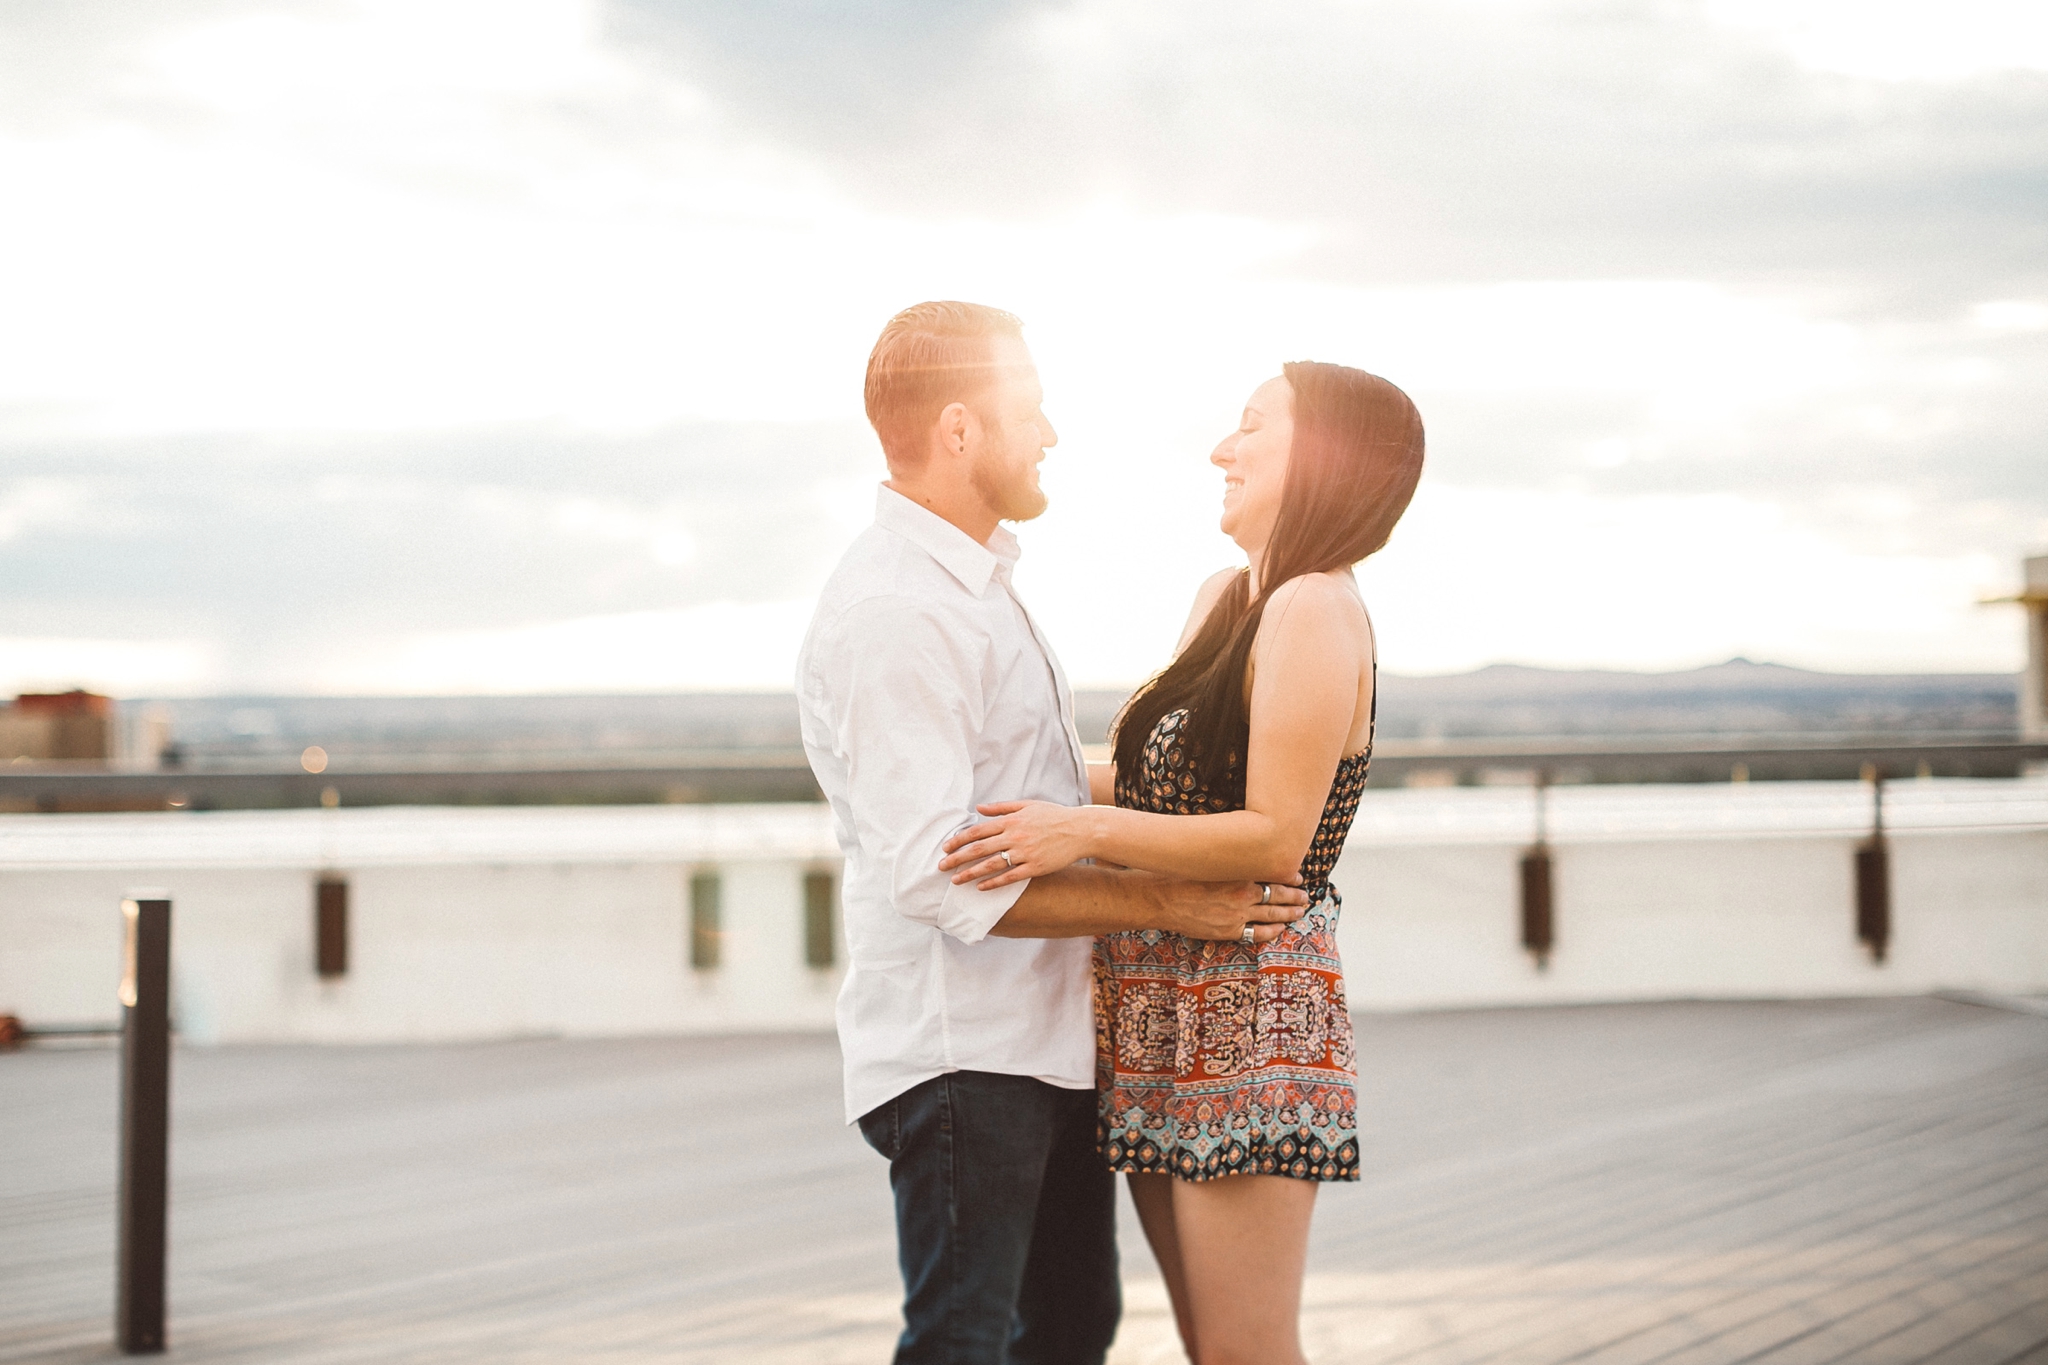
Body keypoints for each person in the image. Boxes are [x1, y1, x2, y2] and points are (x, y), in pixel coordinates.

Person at [795, 301, 1311, 1365]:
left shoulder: (976, 589)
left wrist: (1221, 799)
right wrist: (1170, 900)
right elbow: (939, 876)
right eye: (1028, 407)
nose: (1051, 433)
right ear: (958, 430)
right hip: (959, 1056)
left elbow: (1023, 789)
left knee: (1071, 1329)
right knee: (961, 1341)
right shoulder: (898, 610)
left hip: (1040, 1047)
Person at [939, 361, 1426, 1365]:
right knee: (1210, 1348)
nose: (1221, 450)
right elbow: (1159, 789)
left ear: (1328, 460)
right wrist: (965, 774)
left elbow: (1269, 837)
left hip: (1248, 1006)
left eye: (1251, 428)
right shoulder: (1228, 598)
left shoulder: (1315, 608)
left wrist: (1075, 832)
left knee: (1246, 1352)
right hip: (1156, 1001)